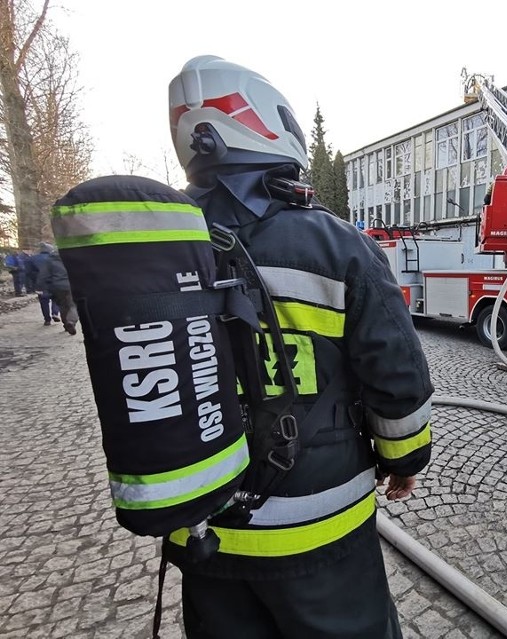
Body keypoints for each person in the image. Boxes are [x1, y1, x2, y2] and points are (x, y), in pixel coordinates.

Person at [167, 55, 434, 638]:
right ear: (270, 126)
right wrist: (405, 460)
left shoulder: (159, 250)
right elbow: (397, 377)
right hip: (323, 530)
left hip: (205, 533)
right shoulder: (340, 245)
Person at [35, 245, 78, 335]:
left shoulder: (49, 260)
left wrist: (39, 287)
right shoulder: (71, 258)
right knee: (73, 305)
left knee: (62, 306)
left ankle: (66, 323)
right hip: (71, 285)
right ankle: (71, 322)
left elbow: (43, 275)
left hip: (57, 287)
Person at [27, 242, 61, 326]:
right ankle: (55, 313)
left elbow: (28, 272)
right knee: (56, 299)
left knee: (44, 302)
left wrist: (34, 282)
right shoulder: (54, 258)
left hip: (40, 284)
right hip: (54, 282)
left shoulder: (32, 259)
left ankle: (47, 320)